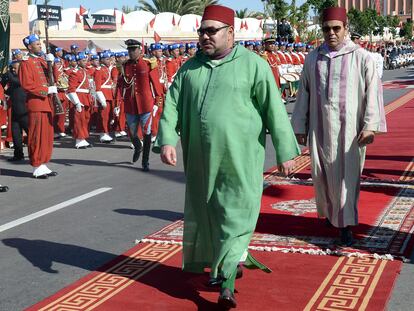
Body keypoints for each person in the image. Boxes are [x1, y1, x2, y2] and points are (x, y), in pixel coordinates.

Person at [154, 4, 300, 308]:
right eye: (202, 31)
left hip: (240, 160)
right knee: (211, 217)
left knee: (235, 217)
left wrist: (286, 151)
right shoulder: (189, 68)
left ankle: (227, 284)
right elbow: (170, 106)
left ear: (230, 33)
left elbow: (274, 108)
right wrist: (168, 139)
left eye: (212, 31)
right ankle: (223, 266)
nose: (205, 36)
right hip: (200, 161)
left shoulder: (253, 65)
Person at [291, 7, 387, 246]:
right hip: (319, 128)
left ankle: (345, 223)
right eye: (326, 29)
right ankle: (331, 214)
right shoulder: (313, 58)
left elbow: (373, 93)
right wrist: (300, 126)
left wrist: (370, 126)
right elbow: (304, 93)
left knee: (347, 176)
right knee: (321, 174)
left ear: (346, 29)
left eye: (336, 28)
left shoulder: (362, 57)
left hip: (350, 131)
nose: (331, 33)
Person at [117, 39, 163, 171]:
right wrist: (119, 101)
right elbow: (121, 85)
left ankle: (145, 161)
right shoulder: (124, 65)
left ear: (140, 50)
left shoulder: (149, 63)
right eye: (129, 50)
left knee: (147, 132)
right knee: (131, 131)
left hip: (145, 104)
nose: (130, 52)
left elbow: (156, 84)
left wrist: (157, 103)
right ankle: (138, 146)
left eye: (133, 50)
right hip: (131, 104)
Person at [19, 34, 58, 178]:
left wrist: (52, 64)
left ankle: (43, 163)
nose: (40, 46)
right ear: (29, 46)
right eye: (36, 44)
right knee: (37, 135)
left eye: (40, 44)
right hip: (36, 103)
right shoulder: (26, 62)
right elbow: (27, 84)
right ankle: (36, 165)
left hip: (47, 103)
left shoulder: (42, 60)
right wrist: (45, 90)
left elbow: (54, 79)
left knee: (47, 136)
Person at [3, 60, 28, 161]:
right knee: (16, 134)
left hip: (24, 111)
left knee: (31, 133)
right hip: (15, 111)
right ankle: (18, 155)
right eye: (11, 68)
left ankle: (37, 154)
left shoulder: (24, 78)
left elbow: (15, 81)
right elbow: (7, 90)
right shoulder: (13, 79)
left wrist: (6, 71)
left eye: (15, 68)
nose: (13, 70)